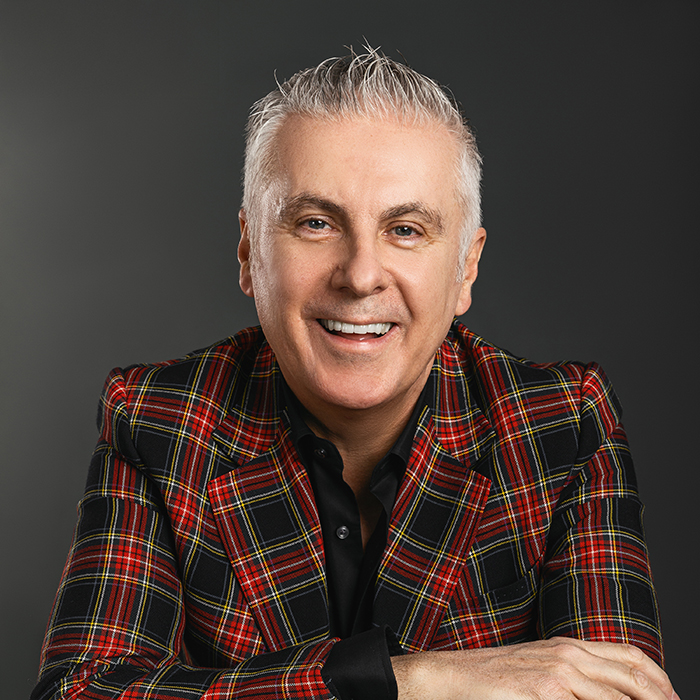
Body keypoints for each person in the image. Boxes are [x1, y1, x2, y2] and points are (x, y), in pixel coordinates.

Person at [32, 49, 677, 700]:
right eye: (316, 223)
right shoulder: (157, 421)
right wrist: (402, 680)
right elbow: (80, 692)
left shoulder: (563, 425)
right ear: (249, 252)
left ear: (466, 268)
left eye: (406, 229)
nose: (361, 275)